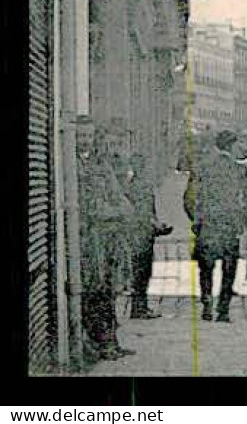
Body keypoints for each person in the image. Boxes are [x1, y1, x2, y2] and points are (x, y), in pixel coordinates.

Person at [185, 129, 247, 323]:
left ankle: (207, 305)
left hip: (206, 224)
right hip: (229, 225)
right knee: (229, 266)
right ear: (231, 145)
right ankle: (223, 310)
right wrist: (243, 217)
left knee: (206, 267)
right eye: (237, 143)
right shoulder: (238, 169)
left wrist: (196, 219)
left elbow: (189, 198)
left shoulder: (202, 167)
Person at [78, 126, 133, 360]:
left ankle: (111, 341)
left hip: (110, 239)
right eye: (80, 136)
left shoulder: (102, 165)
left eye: (89, 136)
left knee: (109, 291)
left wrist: (114, 210)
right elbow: (89, 209)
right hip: (90, 241)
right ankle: (99, 343)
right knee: (94, 290)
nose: (85, 141)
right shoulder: (74, 167)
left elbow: (124, 204)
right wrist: (114, 211)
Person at [121, 150, 165, 320]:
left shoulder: (135, 184)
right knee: (141, 271)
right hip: (140, 233)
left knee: (141, 271)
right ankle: (139, 308)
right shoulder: (138, 186)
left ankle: (140, 307)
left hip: (142, 232)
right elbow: (141, 212)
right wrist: (155, 224)